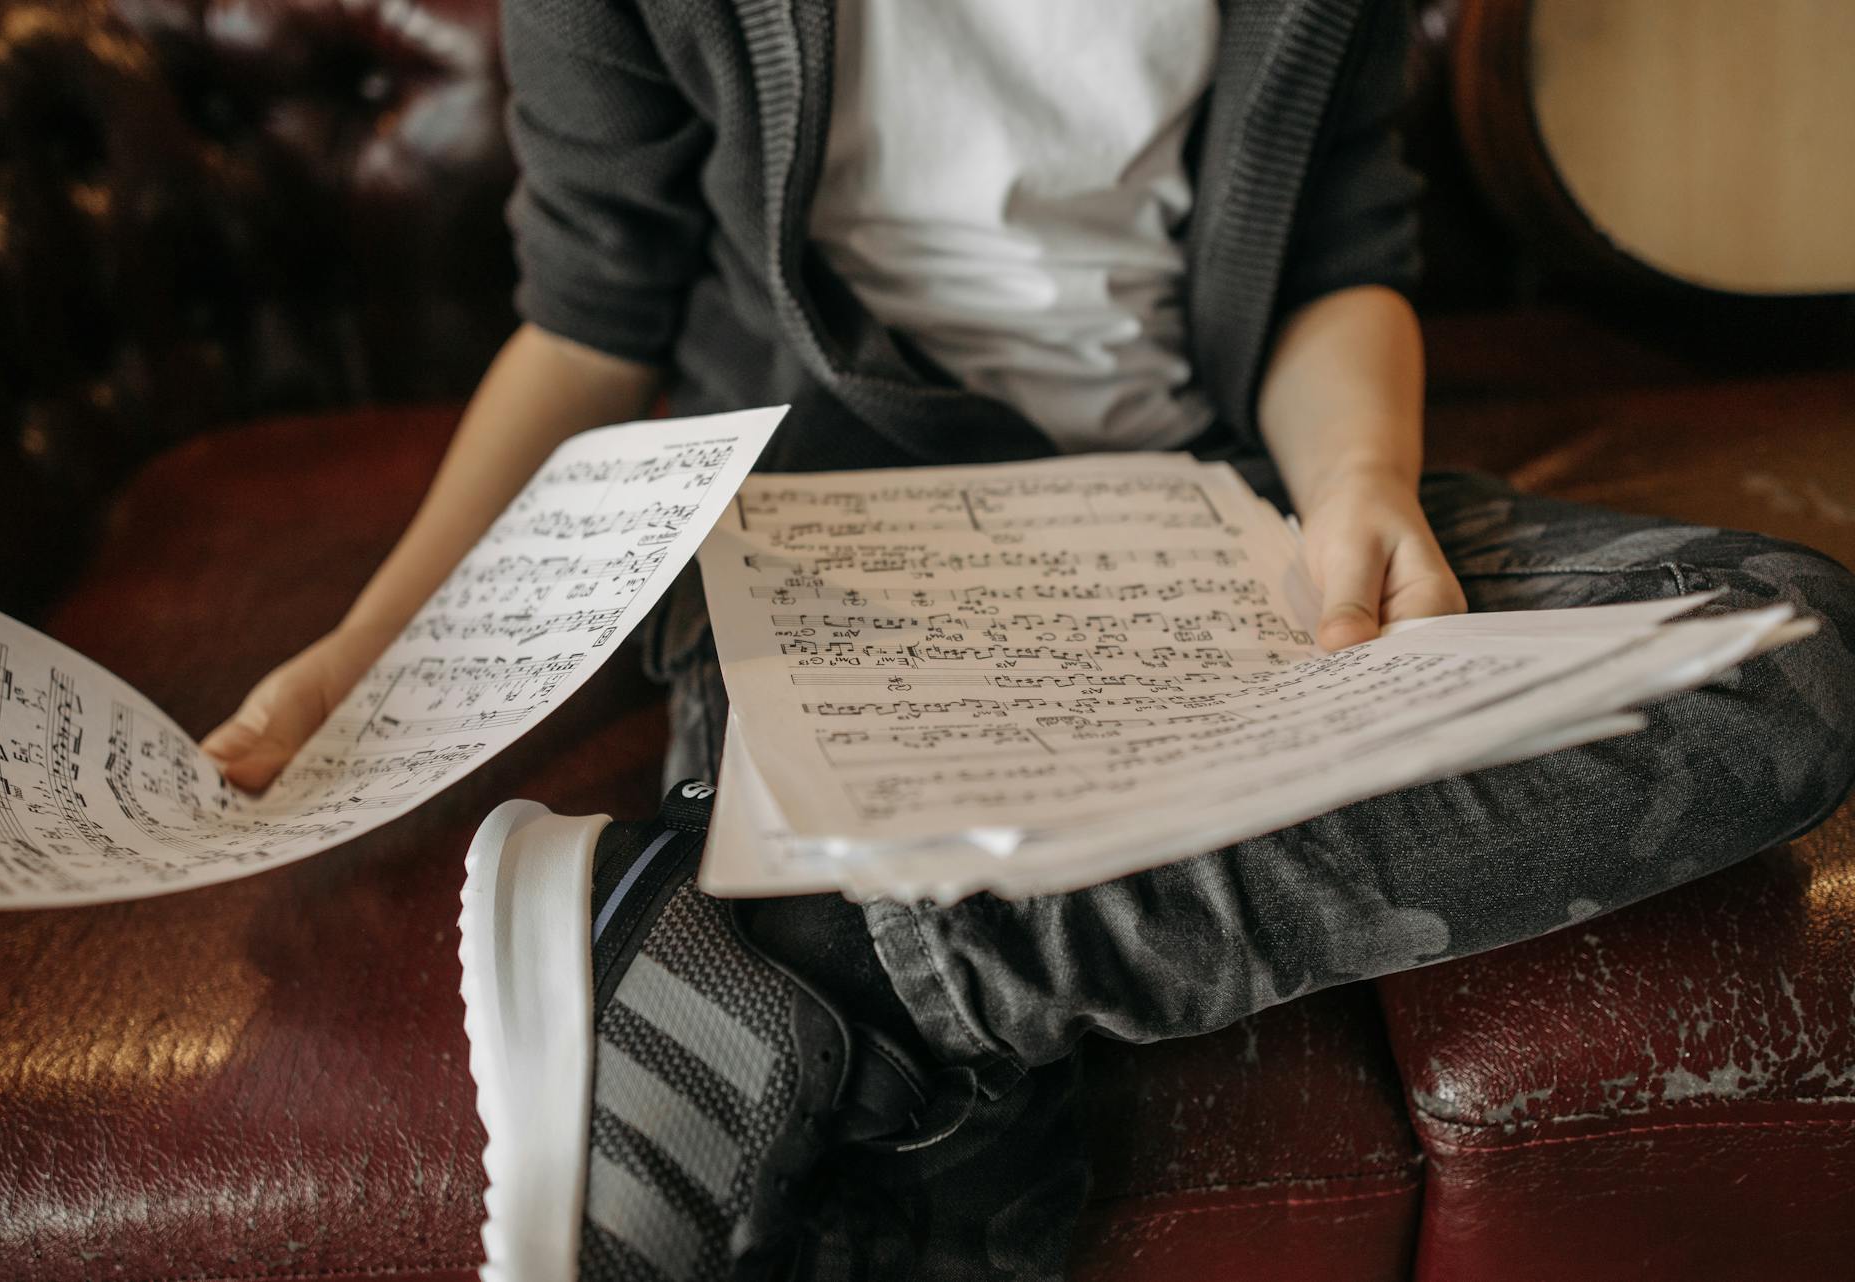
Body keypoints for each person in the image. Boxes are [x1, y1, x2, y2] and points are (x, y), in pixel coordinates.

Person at [200, 1, 1855, 1277]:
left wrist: (1360, 482)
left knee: (1789, 651)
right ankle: (872, 943)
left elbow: (1338, 261)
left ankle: (816, 952)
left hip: (1223, 509)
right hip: (822, 538)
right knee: (959, 1194)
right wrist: (378, 648)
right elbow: (585, 328)